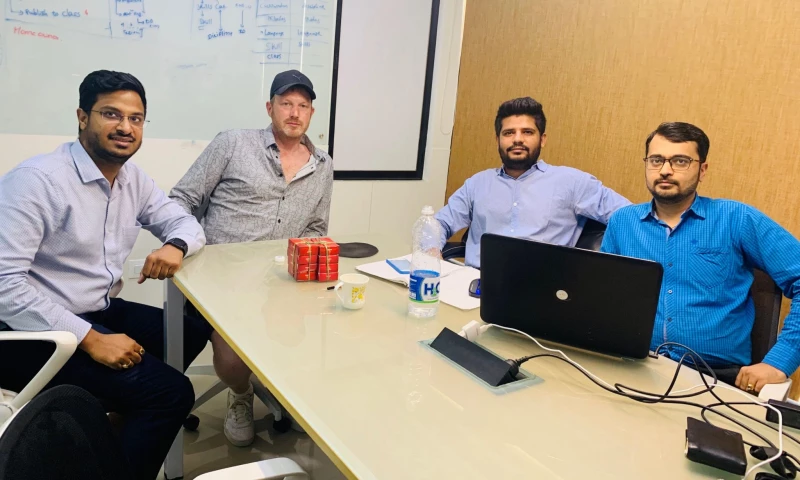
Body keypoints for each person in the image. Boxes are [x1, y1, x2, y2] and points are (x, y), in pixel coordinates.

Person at [0, 70, 211, 480]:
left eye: (136, 118)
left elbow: (185, 223)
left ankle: (106, 427)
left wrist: (175, 245)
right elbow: (5, 287)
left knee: (189, 332)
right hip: (31, 331)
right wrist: (92, 340)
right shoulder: (37, 181)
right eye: (111, 114)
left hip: (96, 307)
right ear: (82, 117)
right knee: (170, 394)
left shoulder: (132, 178)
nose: (125, 127)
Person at [169, 69, 333, 446]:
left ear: (311, 113)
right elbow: (182, 200)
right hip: (222, 281)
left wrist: (303, 269)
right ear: (269, 108)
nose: (294, 112)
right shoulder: (233, 144)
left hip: (282, 282)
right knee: (232, 358)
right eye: (286, 103)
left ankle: (281, 390)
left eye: (303, 105)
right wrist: (181, 245)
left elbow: (316, 227)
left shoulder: (323, 165)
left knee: (307, 337)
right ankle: (241, 392)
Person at [601, 122, 800, 393]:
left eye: (680, 161)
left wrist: (778, 362)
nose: (665, 170)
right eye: (656, 160)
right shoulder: (623, 222)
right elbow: (604, 294)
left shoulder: (736, 219)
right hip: (633, 366)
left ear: (702, 170)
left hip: (715, 378)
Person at [436, 97, 630, 268]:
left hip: (540, 288)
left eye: (527, 132)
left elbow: (630, 217)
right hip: (477, 284)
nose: (517, 139)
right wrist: (431, 251)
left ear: (542, 139)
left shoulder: (573, 182)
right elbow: (440, 222)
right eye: (509, 133)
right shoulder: (477, 183)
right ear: (497, 140)